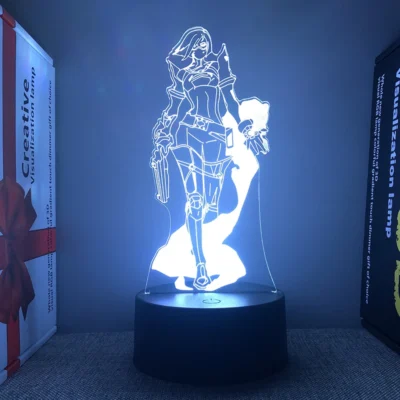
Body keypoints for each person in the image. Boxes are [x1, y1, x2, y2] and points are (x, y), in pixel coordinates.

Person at [150, 27, 268, 290]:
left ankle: (200, 249)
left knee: (211, 207)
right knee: (195, 202)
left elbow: (231, 101)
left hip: (215, 137)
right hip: (186, 135)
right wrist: (164, 131)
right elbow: (175, 108)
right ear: (190, 46)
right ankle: (200, 265)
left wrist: (246, 128)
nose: (202, 46)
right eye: (197, 42)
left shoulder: (218, 66)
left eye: (205, 42)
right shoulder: (182, 73)